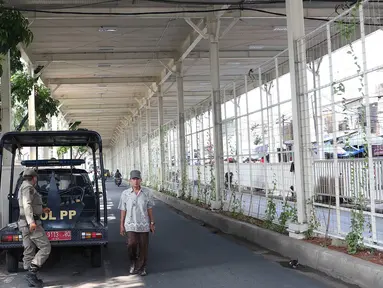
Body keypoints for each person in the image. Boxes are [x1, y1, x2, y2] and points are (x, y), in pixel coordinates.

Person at [17, 168, 51, 287]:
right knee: (45, 247)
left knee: (29, 249)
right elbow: (27, 205)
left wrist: (42, 210)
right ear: (34, 178)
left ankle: (31, 278)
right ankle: (32, 273)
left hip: (23, 222)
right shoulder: (28, 187)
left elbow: (29, 205)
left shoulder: (23, 186)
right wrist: (31, 221)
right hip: (30, 223)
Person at [118, 170, 155, 276]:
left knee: (143, 246)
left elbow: (150, 208)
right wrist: (121, 225)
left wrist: (152, 222)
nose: (135, 181)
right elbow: (123, 210)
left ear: (141, 180)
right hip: (130, 224)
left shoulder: (147, 193)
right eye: (133, 179)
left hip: (144, 223)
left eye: (137, 179)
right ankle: (133, 262)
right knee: (131, 244)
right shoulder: (125, 194)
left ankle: (142, 267)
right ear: (130, 181)